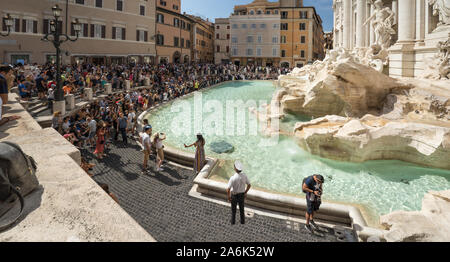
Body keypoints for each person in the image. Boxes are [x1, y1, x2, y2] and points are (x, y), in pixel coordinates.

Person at [227, 161, 251, 225]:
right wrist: (245, 192)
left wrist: (229, 197)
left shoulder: (233, 178)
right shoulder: (244, 176)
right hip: (242, 195)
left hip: (234, 196)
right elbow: (249, 185)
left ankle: (233, 222)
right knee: (242, 210)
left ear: (235, 169)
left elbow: (228, 189)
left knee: (233, 210)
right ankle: (242, 222)